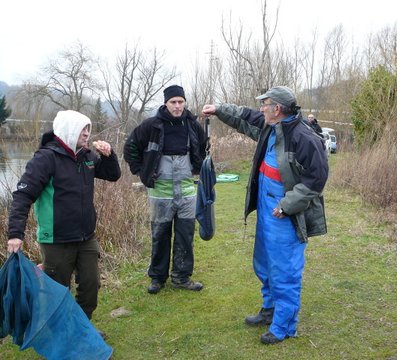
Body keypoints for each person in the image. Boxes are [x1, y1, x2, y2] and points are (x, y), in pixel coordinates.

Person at [202, 86, 328, 345]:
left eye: (266, 104)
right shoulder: (270, 126)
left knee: (285, 271)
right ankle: (269, 309)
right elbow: (243, 117)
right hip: (265, 210)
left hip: (284, 214)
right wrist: (218, 109)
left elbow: (316, 180)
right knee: (264, 264)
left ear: (277, 109)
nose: (261, 108)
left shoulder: (304, 138)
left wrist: (287, 206)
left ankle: (284, 325)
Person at [7, 110, 121, 337]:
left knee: (91, 286)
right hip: (55, 239)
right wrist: (15, 233)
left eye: (88, 129)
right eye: (83, 129)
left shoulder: (87, 156)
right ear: (69, 130)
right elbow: (23, 195)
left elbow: (113, 175)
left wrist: (109, 156)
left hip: (86, 236)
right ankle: (61, 334)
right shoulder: (46, 158)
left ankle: (80, 328)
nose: (87, 133)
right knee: (58, 292)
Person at [124, 85, 206, 294]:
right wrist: (141, 171)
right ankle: (157, 278)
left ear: (184, 102)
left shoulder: (193, 125)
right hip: (160, 192)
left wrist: (199, 167)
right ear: (166, 103)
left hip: (187, 191)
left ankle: (181, 276)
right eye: (173, 102)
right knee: (160, 235)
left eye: (180, 102)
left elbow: (204, 148)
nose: (177, 106)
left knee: (185, 235)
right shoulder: (151, 126)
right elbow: (130, 147)